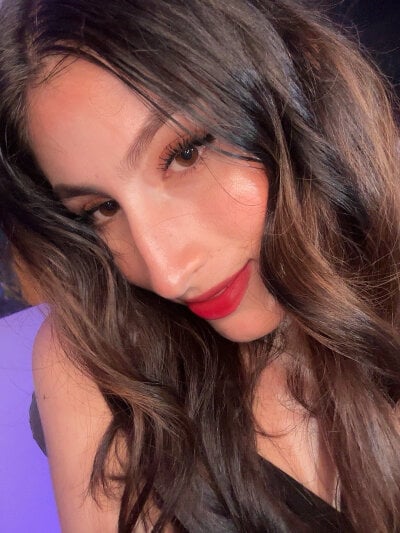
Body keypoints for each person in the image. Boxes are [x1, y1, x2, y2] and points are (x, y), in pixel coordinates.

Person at [0, 0, 399, 531]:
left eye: (185, 154)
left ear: (292, 95)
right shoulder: (99, 359)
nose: (167, 273)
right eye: (102, 208)